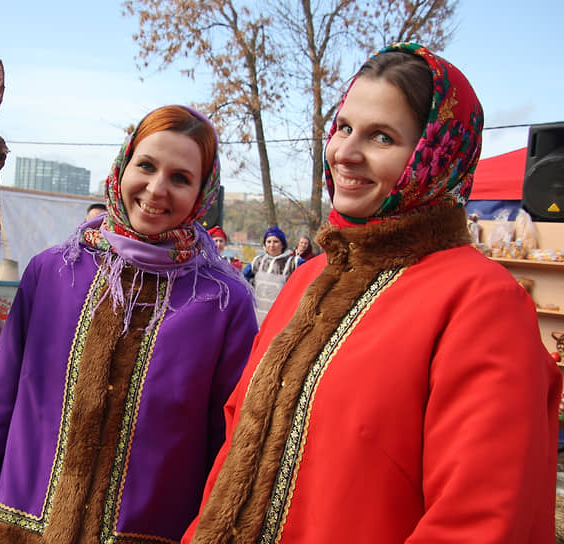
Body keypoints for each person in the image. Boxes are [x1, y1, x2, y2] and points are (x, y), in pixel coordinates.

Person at [182, 43, 561, 543]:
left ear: (435, 154)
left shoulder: (482, 301)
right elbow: (237, 448)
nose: (345, 153)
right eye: (343, 128)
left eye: (381, 136)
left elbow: (483, 519)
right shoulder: (308, 279)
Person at [0, 105, 258, 543]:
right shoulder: (52, 273)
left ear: (203, 193)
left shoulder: (223, 302)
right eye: (145, 166)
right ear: (122, 167)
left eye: (181, 178)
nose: (156, 188)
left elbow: (227, 449)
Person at [243, 226, 296, 324]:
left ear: (282, 244)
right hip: (257, 314)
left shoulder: (292, 263)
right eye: (268, 242)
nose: (272, 245)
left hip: (280, 315)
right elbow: (242, 279)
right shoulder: (258, 261)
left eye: (276, 241)